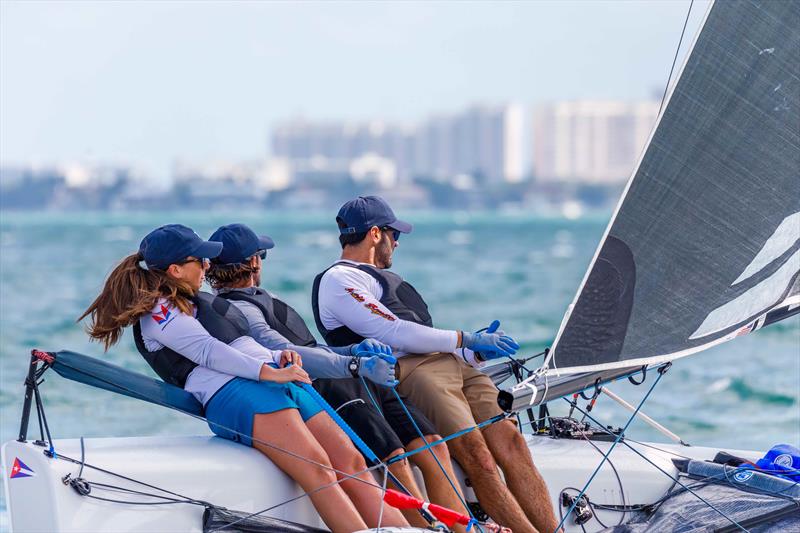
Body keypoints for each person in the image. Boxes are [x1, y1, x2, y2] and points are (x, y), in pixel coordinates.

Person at [78, 223, 407, 533]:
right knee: (317, 468)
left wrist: (277, 358)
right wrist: (268, 371)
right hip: (234, 394)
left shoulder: (196, 302)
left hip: (270, 380)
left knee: (351, 460)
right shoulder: (158, 314)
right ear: (175, 270)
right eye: (199, 260)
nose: (207, 267)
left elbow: (240, 344)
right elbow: (208, 352)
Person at [312, 196, 561, 533]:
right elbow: (393, 331)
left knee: (512, 442)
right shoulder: (338, 280)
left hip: (451, 364)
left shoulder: (387, 280)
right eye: (392, 234)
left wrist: (473, 354)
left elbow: (424, 334)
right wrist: (464, 338)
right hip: (410, 371)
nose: (396, 242)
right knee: (478, 456)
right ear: (374, 234)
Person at [205, 223, 469, 533]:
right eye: (261, 255)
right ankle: (422, 529)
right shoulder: (239, 309)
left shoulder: (260, 296)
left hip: (349, 374)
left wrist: (352, 349)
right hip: (328, 385)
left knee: (431, 443)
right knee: (394, 457)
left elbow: (310, 347)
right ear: (253, 262)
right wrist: (352, 364)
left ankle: (464, 528)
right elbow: (284, 350)